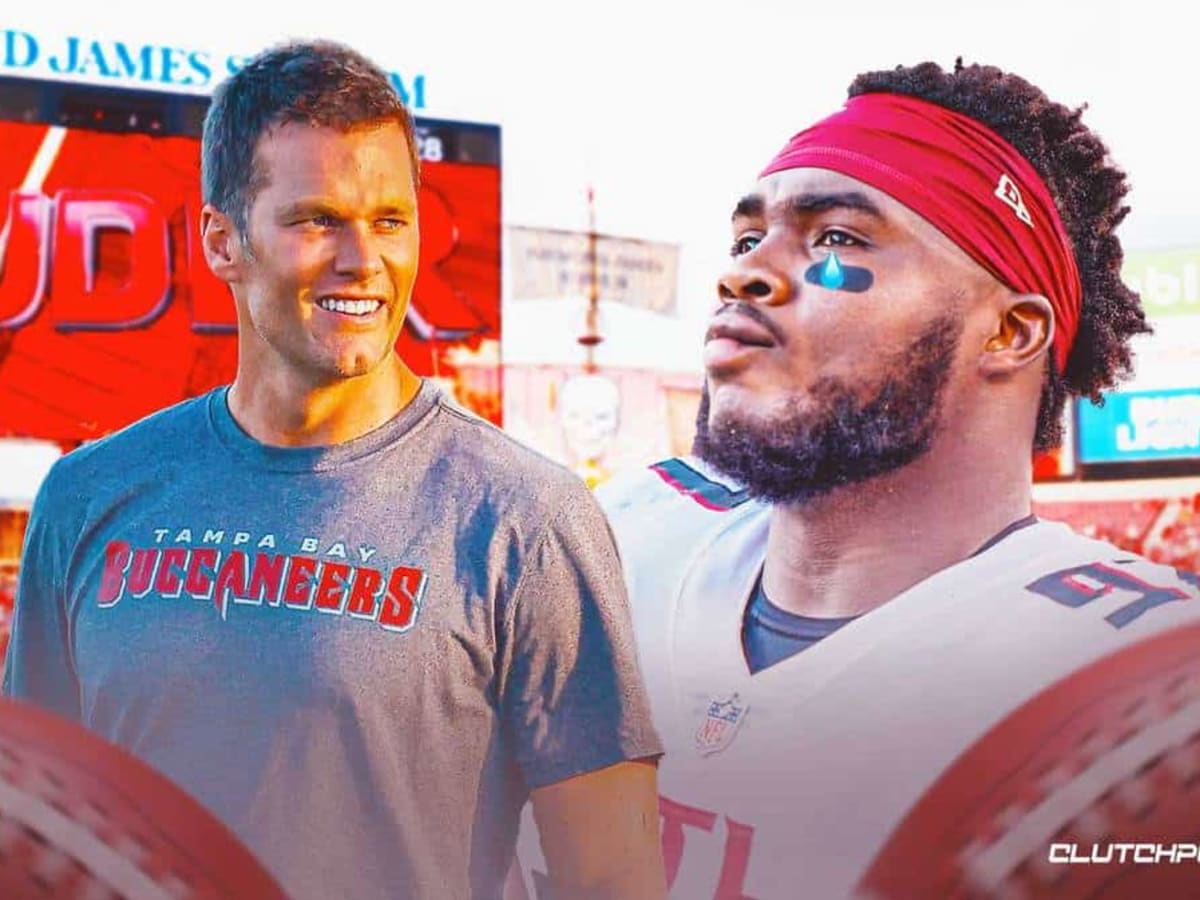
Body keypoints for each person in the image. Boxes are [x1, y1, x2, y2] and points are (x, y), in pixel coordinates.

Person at [511, 60, 1200, 899]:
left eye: (836, 237)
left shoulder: (1133, 684)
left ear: (1010, 332)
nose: (744, 273)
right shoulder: (620, 535)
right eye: (744, 239)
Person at [3, 40, 666, 900]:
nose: (364, 260)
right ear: (220, 240)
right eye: (317, 219)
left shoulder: (526, 520)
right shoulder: (89, 495)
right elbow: (39, 835)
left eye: (391, 219)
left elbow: (612, 878)